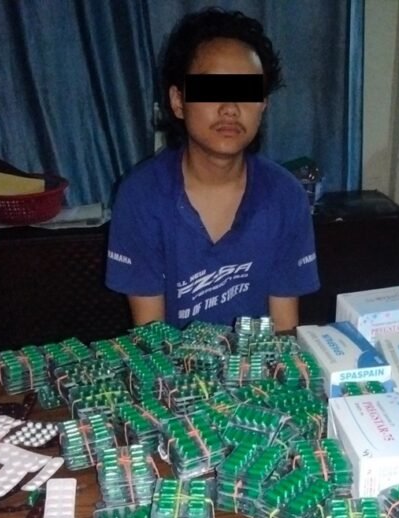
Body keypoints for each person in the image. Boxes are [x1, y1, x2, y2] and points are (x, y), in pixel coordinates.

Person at [105, 8, 319, 332]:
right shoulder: (141, 196)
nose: (230, 108)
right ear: (178, 101)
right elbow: (151, 335)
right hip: (174, 364)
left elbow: (284, 330)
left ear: (263, 104)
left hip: (258, 363)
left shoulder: (286, 196)